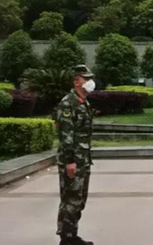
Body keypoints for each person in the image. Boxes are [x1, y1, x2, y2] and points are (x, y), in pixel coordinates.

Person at [55, 65, 96, 245]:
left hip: (83, 159)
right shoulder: (68, 103)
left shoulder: (83, 102)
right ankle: (66, 238)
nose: (90, 82)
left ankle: (72, 234)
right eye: (86, 79)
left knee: (79, 199)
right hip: (73, 160)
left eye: (90, 79)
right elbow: (66, 135)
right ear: (76, 82)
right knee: (70, 199)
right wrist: (70, 161)